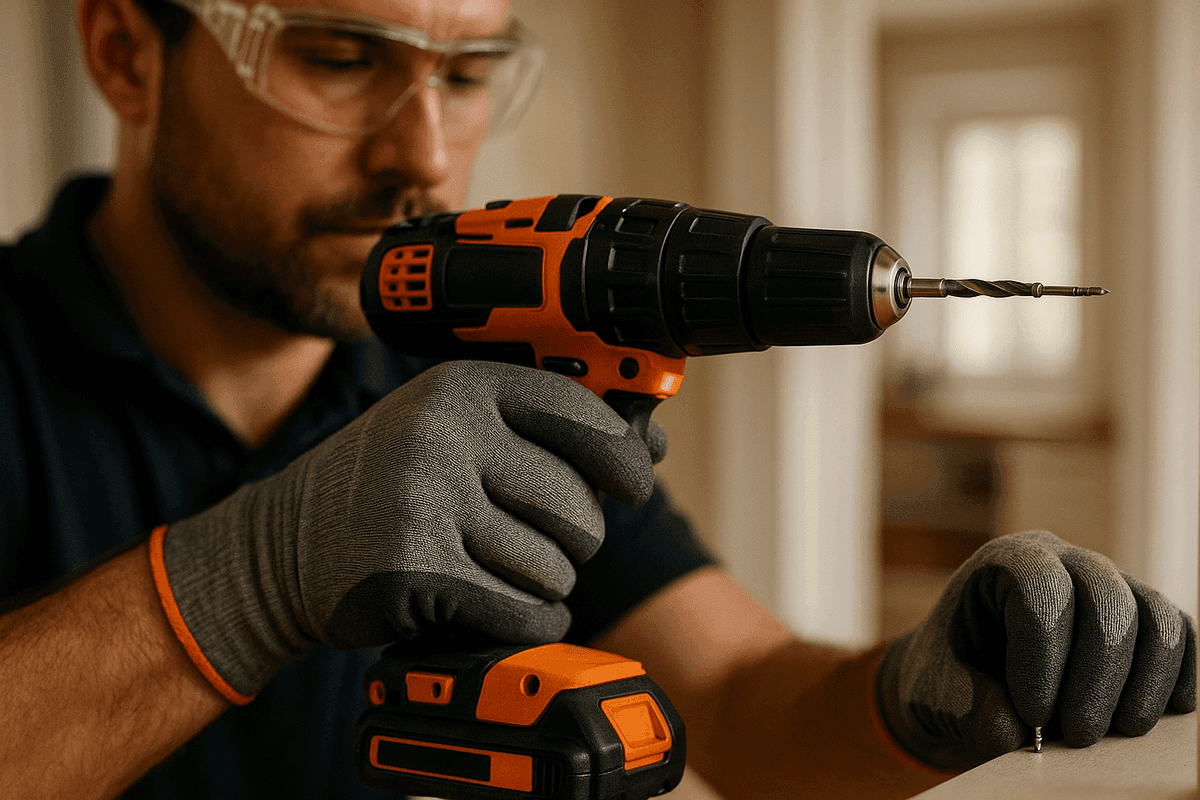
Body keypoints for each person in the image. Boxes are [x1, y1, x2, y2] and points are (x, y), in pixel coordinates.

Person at [0, 0, 1192, 797]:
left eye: (468, 74)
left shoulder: (476, 377)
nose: (420, 152)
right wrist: (245, 580)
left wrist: (917, 699)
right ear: (125, 52)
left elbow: (733, 696)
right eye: (340, 57)